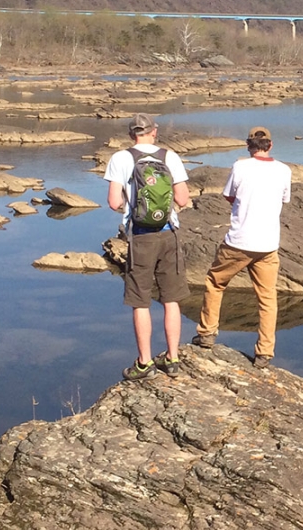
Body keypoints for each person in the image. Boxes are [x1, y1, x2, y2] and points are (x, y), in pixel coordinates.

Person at [192, 126, 292, 369]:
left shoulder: (240, 166)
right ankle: (265, 352)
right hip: (268, 244)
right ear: (270, 145)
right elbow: (284, 199)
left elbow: (229, 195)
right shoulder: (284, 170)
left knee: (215, 282)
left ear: (249, 146)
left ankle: (207, 333)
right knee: (267, 297)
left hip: (238, 242)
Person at [105, 113, 191, 381]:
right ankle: (173, 358)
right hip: (168, 234)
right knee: (171, 299)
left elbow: (113, 202)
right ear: (154, 131)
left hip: (140, 236)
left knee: (140, 301)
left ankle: (144, 363)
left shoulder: (122, 158)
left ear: (132, 134)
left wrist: (135, 208)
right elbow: (183, 198)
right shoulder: (169, 156)